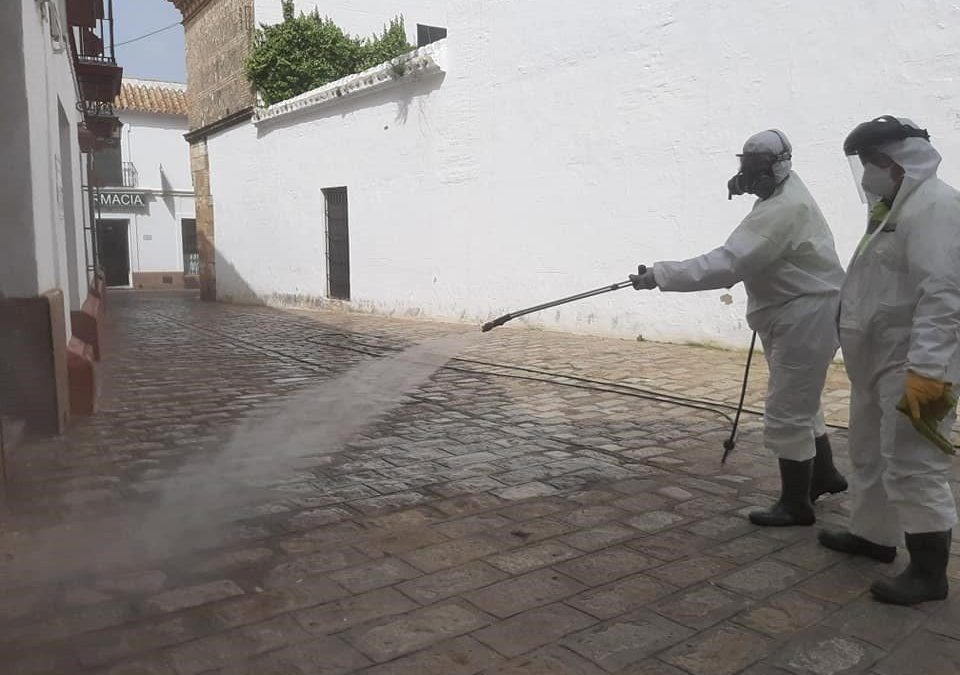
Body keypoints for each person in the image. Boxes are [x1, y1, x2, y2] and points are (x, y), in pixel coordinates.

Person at [631, 129, 848, 527]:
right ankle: (825, 474)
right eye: (743, 165)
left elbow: (730, 263)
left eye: (754, 167)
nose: (746, 174)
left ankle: (795, 504)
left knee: (788, 409)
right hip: (795, 312)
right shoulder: (780, 194)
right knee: (802, 400)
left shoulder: (782, 209)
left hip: (805, 315)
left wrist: (660, 275)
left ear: (777, 166)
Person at [818, 116, 960, 605]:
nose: (866, 175)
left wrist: (928, 372)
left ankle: (928, 573)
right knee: (868, 451)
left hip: (914, 364)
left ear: (897, 162)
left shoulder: (936, 208)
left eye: (872, 164)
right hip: (875, 361)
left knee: (914, 463)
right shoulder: (892, 211)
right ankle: (873, 536)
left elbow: (943, 296)